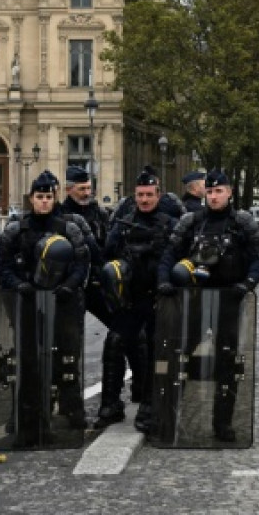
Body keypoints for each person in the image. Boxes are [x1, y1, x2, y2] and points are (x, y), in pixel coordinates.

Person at [159, 169, 259, 441]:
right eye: (209, 191)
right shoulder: (191, 221)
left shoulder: (242, 223)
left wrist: (247, 284)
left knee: (227, 361)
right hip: (194, 300)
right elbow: (169, 253)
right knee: (180, 356)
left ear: (229, 192)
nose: (214, 196)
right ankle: (169, 419)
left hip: (229, 301)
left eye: (219, 191)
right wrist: (165, 281)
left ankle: (223, 423)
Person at [0, 170, 91, 428]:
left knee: (67, 358)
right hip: (26, 303)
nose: (44, 201)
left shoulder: (69, 228)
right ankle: (22, 413)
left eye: (48, 196)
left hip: (63, 304)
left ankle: (71, 409)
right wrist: (19, 285)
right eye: (40, 197)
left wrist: (69, 286)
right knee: (26, 360)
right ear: (31, 199)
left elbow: (82, 264)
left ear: (55, 197)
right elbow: (1, 268)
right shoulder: (16, 230)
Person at [95, 169, 178, 431]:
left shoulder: (170, 225)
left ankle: (151, 406)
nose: (144, 200)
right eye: (140, 195)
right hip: (129, 300)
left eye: (149, 195)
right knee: (115, 343)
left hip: (159, 299)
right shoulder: (122, 225)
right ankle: (110, 404)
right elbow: (107, 257)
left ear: (158, 195)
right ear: (135, 195)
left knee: (157, 351)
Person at [61, 165, 111, 327]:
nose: (87, 193)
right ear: (69, 190)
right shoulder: (60, 215)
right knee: (71, 335)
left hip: (97, 282)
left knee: (121, 326)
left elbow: (108, 245)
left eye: (89, 188)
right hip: (71, 283)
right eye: (82, 189)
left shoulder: (100, 213)